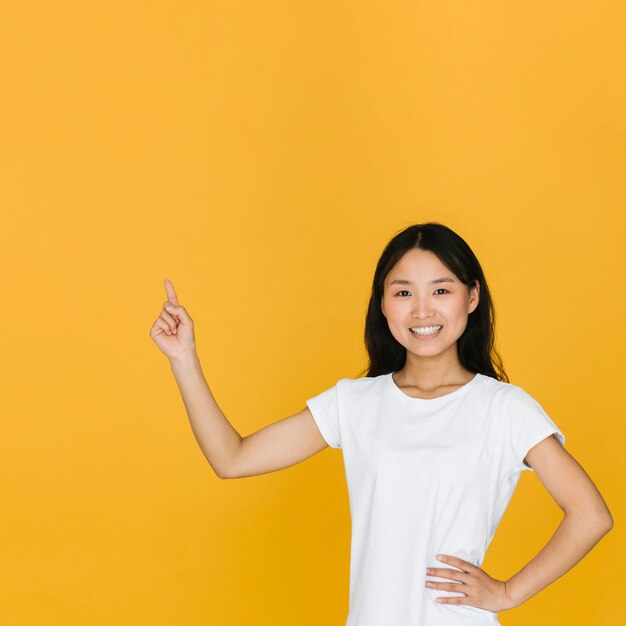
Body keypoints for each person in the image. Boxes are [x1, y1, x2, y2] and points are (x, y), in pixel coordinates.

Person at [150, 222, 613, 626]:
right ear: (384, 304)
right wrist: (184, 361)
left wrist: (508, 593)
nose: (423, 310)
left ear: (472, 297)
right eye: (404, 292)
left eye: (441, 290)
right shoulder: (356, 403)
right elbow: (232, 459)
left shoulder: (503, 408)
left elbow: (591, 515)